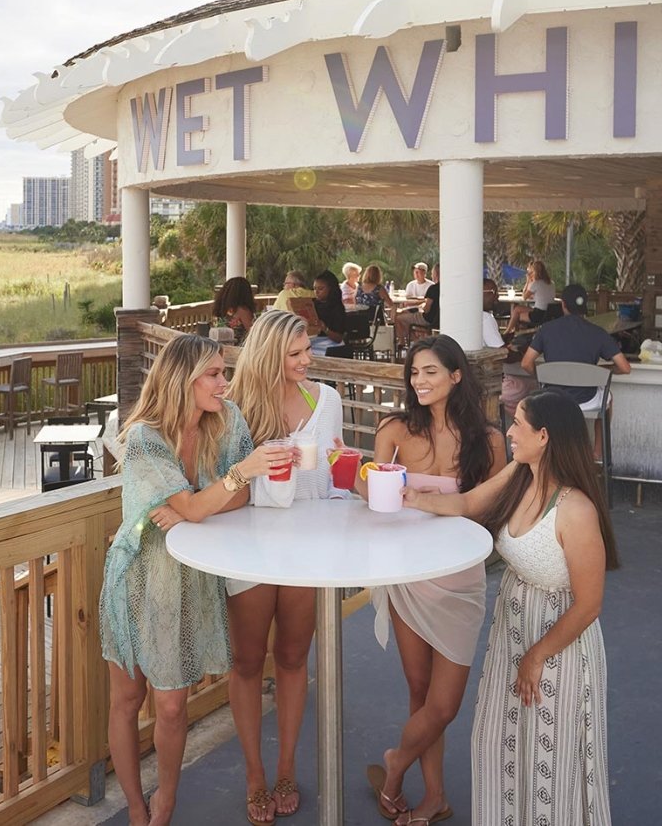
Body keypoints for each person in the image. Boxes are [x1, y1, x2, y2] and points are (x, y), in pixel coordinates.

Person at [101, 334, 293, 826]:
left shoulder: (228, 422)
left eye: (224, 372)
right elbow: (204, 502)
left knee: (170, 706)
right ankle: (136, 809)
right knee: (126, 699)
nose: (223, 383)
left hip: (191, 579)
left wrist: (196, 504)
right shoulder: (145, 437)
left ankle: (164, 802)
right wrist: (228, 481)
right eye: (213, 374)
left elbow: (238, 501)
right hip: (139, 577)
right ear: (181, 379)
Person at [404, 390, 616, 826]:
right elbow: (466, 504)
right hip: (512, 630)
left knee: (550, 758)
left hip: (557, 647)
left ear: (544, 435)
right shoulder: (521, 473)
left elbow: (589, 604)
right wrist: (410, 498)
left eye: (518, 424)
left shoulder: (575, 510)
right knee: (501, 743)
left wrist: (536, 656)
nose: (509, 432)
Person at [364, 336, 506, 826]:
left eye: (430, 372)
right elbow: (371, 495)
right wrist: (363, 482)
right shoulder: (395, 430)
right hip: (406, 572)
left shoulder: (488, 441)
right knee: (419, 692)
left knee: (443, 705)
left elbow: (493, 508)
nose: (419, 381)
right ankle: (434, 797)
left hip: (460, 576)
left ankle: (395, 762)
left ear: (456, 375)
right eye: (414, 373)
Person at [225, 311, 345, 823]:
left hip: (308, 550)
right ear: (269, 355)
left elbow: (334, 476)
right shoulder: (236, 407)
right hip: (250, 548)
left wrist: (348, 465)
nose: (306, 360)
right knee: (249, 663)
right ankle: (255, 774)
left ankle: (287, 768)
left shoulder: (328, 400)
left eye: (307, 350)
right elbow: (223, 478)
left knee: (294, 659)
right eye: (294, 354)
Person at [521, 283, 631, 406]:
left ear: (563, 304)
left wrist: (543, 376)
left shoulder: (546, 329)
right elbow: (625, 368)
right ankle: (602, 426)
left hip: (553, 399)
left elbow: (525, 363)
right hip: (586, 400)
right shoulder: (599, 333)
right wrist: (601, 370)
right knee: (608, 399)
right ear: (585, 306)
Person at [506, 260, 556, 334]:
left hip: (538, 314)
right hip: (549, 313)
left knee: (516, 313)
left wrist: (528, 281)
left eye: (532, 272)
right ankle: (511, 332)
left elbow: (524, 296)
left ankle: (509, 333)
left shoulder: (536, 283)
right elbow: (541, 295)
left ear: (535, 272)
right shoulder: (551, 283)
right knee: (517, 309)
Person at [311, 271, 350, 356]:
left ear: (331, 289)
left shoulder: (337, 308)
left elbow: (339, 338)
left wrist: (325, 328)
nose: (316, 292)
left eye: (321, 289)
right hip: (314, 341)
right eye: (314, 289)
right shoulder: (312, 304)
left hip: (332, 345)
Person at [215, 275, 258, 340]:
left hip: (221, 345)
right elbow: (254, 334)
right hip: (238, 348)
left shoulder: (224, 309)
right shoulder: (243, 311)